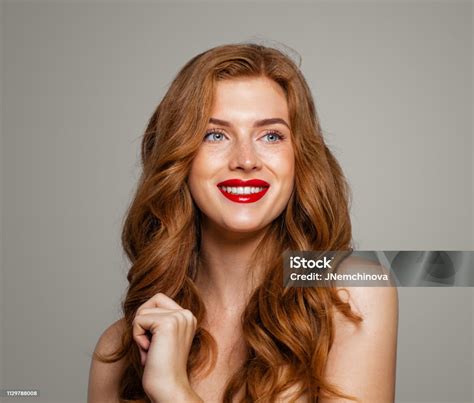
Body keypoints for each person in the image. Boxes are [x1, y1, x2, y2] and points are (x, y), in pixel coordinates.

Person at [87, 43, 398, 403]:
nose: (246, 160)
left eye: (271, 135)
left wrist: (173, 391)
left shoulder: (353, 291)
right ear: (181, 157)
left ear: (300, 157)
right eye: (215, 134)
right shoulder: (117, 350)